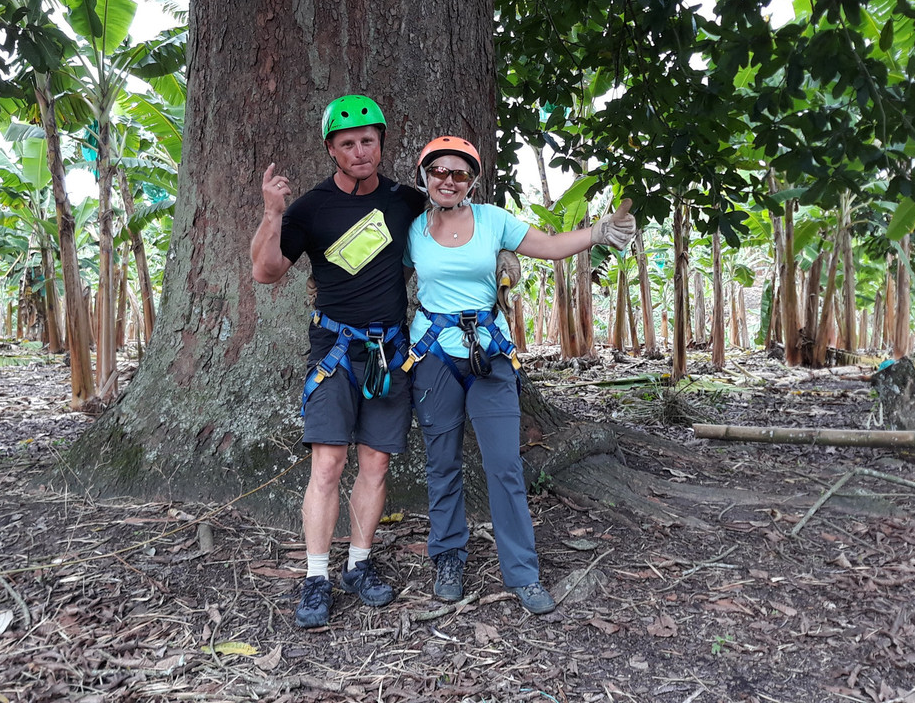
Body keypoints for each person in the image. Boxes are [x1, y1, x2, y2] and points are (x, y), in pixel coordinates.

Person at [403, 136, 636, 615]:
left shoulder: (492, 221)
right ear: (424, 177)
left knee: (505, 466)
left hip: (488, 355)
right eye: (439, 172)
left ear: (471, 180)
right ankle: (448, 557)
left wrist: (599, 233)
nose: (448, 181)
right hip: (433, 355)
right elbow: (388, 275)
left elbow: (549, 247)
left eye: (459, 173)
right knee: (441, 461)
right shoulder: (412, 230)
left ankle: (522, 572)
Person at [250, 95, 424, 628]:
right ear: (332, 150)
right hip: (336, 351)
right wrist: (272, 214)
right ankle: (316, 576)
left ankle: (360, 564)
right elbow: (266, 271)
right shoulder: (310, 207)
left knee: (376, 463)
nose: (360, 150)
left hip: (391, 350)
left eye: (368, 140)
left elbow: (453, 227)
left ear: (381, 143)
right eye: (347, 143)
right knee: (328, 464)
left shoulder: (405, 200)